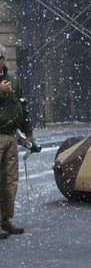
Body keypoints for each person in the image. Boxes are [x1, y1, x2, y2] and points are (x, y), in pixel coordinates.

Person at [0, 44, 35, 239]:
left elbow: (23, 105)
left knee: (10, 181)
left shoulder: (13, 78)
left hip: (11, 135)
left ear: (3, 59)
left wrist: (28, 131)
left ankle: (6, 219)